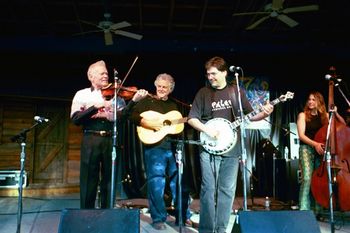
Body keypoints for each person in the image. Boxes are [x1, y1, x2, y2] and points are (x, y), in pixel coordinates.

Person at [187, 56, 274, 233]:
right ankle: (206, 229)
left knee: (227, 191)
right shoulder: (203, 93)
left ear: (224, 72)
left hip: (232, 149)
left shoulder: (236, 92)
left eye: (213, 73)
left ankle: (220, 229)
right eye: (208, 74)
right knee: (208, 190)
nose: (210, 77)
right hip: (209, 148)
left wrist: (265, 113)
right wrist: (207, 130)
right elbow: (192, 119)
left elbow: (250, 115)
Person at [70, 60, 148, 209]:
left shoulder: (116, 96)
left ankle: (106, 215)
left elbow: (122, 118)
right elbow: (76, 119)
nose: (106, 75)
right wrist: (95, 107)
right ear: (91, 76)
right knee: (88, 180)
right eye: (102, 73)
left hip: (111, 140)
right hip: (91, 138)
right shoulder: (82, 94)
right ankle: (86, 215)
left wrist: (133, 102)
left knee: (109, 180)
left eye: (107, 73)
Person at [130, 73, 190, 230]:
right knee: (156, 182)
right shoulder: (146, 101)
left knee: (179, 182)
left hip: (173, 146)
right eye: (159, 86)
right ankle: (158, 218)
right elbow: (132, 115)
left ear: (170, 89)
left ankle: (182, 216)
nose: (161, 89)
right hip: (155, 147)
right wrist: (147, 123)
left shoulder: (174, 105)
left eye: (165, 87)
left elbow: (178, 123)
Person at [297, 91, 345, 212]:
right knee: (307, 178)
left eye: (314, 99)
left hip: (321, 151)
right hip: (307, 148)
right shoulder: (302, 115)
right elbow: (301, 135)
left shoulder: (325, 116)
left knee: (318, 180)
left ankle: (318, 210)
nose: (311, 102)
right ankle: (303, 210)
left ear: (319, 101)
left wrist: (336, 112)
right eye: (309, 99)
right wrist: (315, 144)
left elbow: (343, 125)